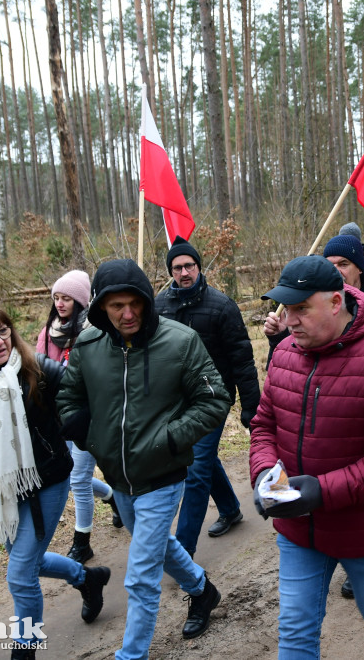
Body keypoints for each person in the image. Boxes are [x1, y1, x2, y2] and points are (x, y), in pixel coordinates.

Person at [251, 255, 364, 660]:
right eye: (287, 308)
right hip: (298, 527)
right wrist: (264, 472)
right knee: (295, 631)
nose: (290, 320)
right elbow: (264, 424)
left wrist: (322, 491)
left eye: (301, 309)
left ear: (336, 303)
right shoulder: (283, 354)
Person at [57, 259, 232, 658]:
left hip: (164, 474)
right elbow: (68, 397)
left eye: (134, 303)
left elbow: (215, 398)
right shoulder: (87, 346)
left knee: (140, 575)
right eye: (116, 306)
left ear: (146, 302)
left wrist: (169, 439)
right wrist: (87, 434)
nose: (127, 313)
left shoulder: (180, 341)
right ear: (101, 308)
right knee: (156, 546)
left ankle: (130, 654)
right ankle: (203, 591)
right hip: (119, 478)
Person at [0, 303, 110, 658]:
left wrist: (89, 432)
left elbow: (81, 402)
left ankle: (24, 651)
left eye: (3, 331)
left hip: (48, 478)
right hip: (6, 489)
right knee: (30, 561)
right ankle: (88, 579)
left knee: (19, 574)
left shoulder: (37, 371)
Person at [155, 237, 261, 553]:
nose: (184, 272)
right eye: (178, 267)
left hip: (212, 398)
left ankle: (183, 551)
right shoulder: (158, 307)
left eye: (189, 265)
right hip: (176, 402)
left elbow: (242, 359)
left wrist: (251, 407)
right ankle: (229, 508)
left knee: (195, 469)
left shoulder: (222, 306)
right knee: (204, 459)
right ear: (171, 271)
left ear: (199, 267)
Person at [36, 270, 122, 564]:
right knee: (75, 478)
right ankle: (111, 497)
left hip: (90, 415)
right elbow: (36, 373)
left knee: (79, 477)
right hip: (58, 419)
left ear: (81, 301)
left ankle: (81, 541)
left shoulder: (91, 333)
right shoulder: (47, 333)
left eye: (67, 298)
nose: (60, 304)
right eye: (56, 298)